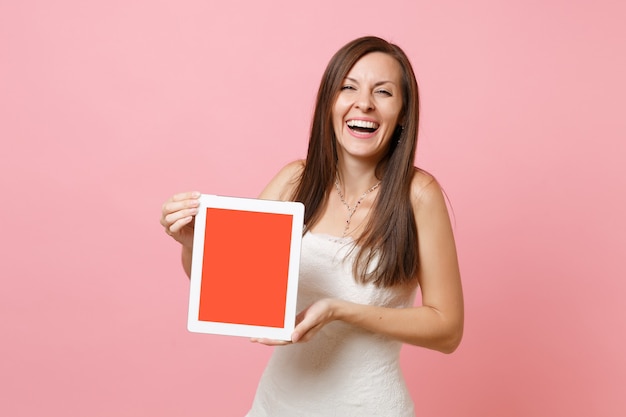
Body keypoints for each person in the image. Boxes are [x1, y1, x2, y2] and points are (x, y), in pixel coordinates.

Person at [160, 36, 464, 417]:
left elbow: (447, 329)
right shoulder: (294, 181)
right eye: (348, 87)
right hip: (276, 405)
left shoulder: (418, 195)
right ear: (329, 103)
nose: (364, 103)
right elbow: (227, 288)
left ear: (403, 113)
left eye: (383, 92)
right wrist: (192, 245)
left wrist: (341, 311)